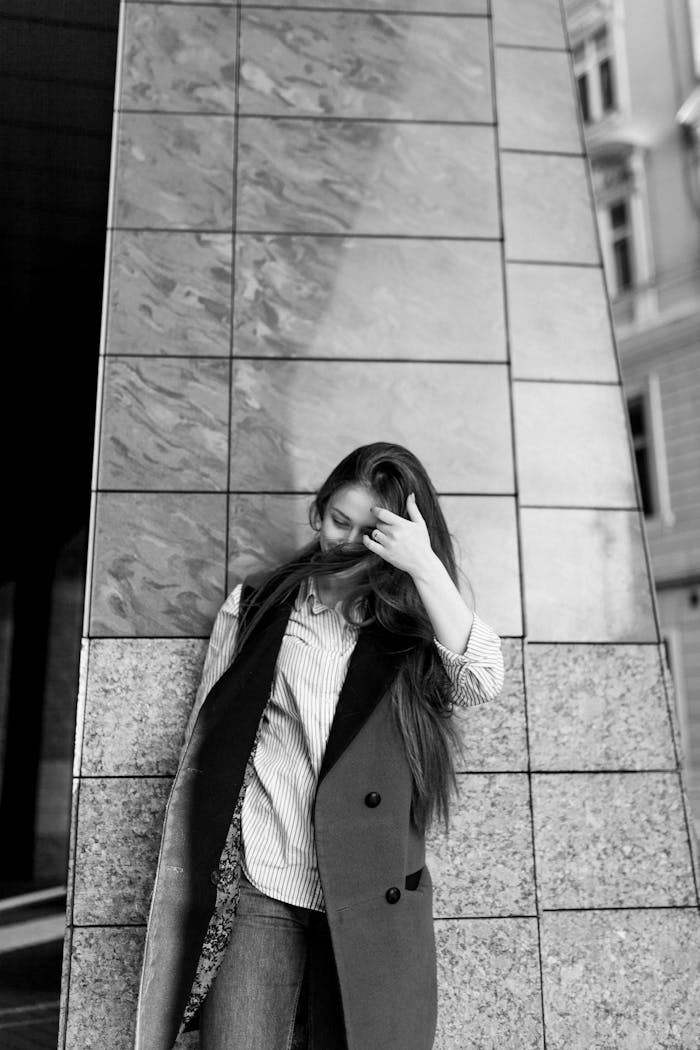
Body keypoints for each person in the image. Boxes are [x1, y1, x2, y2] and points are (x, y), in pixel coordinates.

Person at [134, 441, 505, 1050]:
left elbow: (481, 680)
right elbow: (209, 741)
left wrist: (426, 567)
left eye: (372, 532)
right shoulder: (256, 606)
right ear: (319, 510)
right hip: (264, 879)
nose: (350, 543)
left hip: (365, 887)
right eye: (340, 521)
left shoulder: (412, 628)